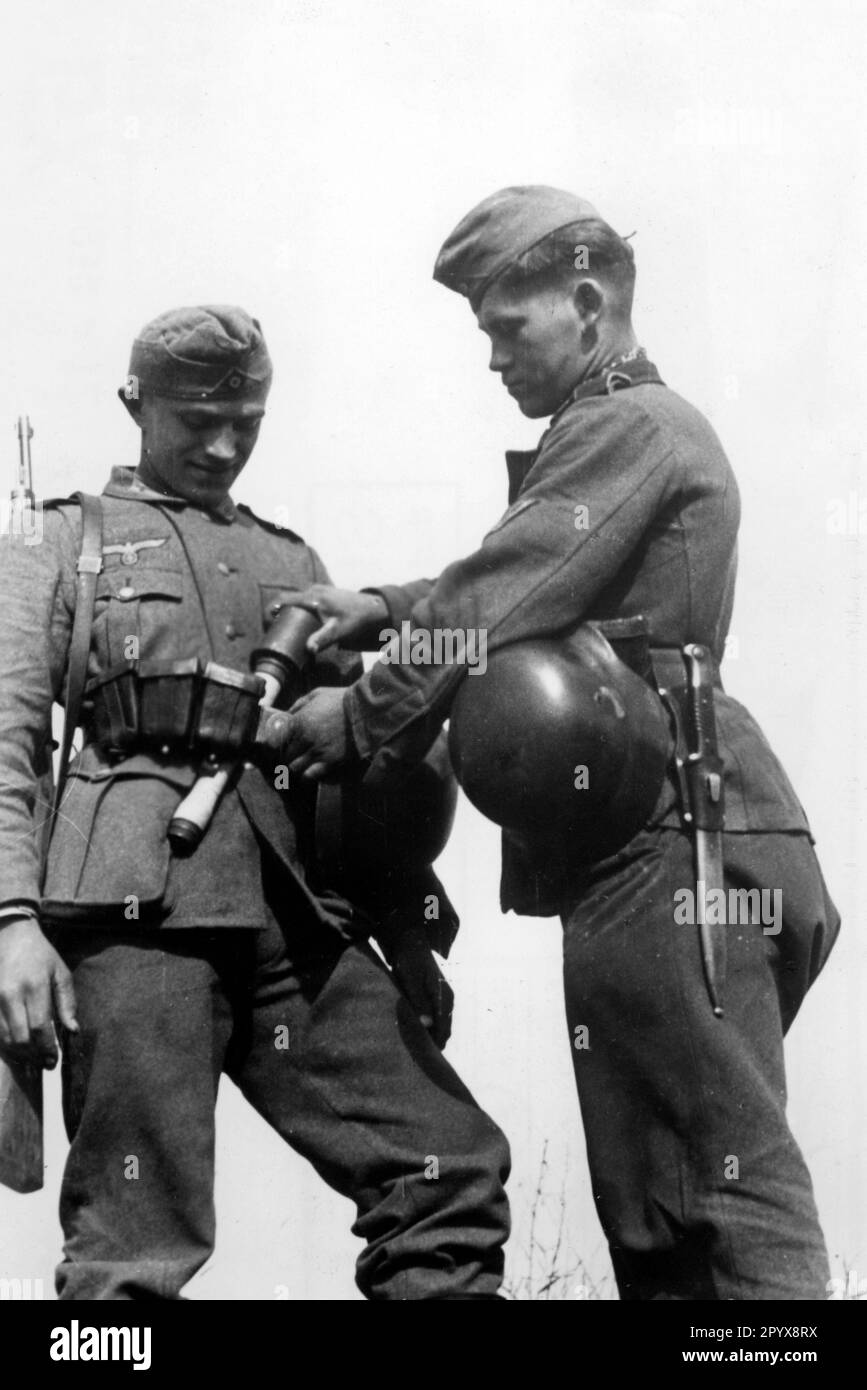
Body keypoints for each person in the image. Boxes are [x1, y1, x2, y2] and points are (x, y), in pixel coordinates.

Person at [277, 188, 841, 1301]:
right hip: (664, 839)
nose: (491, 357)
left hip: (679, 846)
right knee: (661, 1201)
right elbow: (538, 579)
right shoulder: (624, 433)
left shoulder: (626, 426)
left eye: (506, 325)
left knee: (724, 1200)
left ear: (586, 304)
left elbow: (502, 591)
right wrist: (388, 605)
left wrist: (354, 715)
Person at [0, 304, 510, 1301]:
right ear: (134, 405)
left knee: (447, 1164)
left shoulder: (291, 563)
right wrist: (12, 920)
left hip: (298, 927)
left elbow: (364, 766)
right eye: (198, 420)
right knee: (131, 1248)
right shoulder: (63, 541)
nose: (226, 444)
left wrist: (406, 930)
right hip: (133, 924)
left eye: (248, 420)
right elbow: (7, 738)